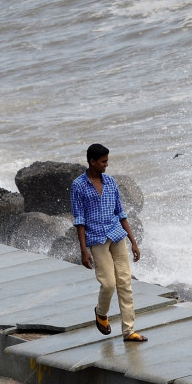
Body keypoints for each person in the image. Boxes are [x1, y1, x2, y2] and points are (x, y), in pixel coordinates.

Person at [71, 143, 147, 342]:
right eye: (103, 162)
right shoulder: (79, 185)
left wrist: (133, 241)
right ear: (92, 161)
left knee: (125, 282)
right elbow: (79, 220)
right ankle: (101, 312)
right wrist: (83, 250)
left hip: (117, 235)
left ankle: (129, 331)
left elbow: (121, 213)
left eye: (107, 161)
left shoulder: (111, 182)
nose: (106, 165)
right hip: (96, 239)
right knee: (108, 283)